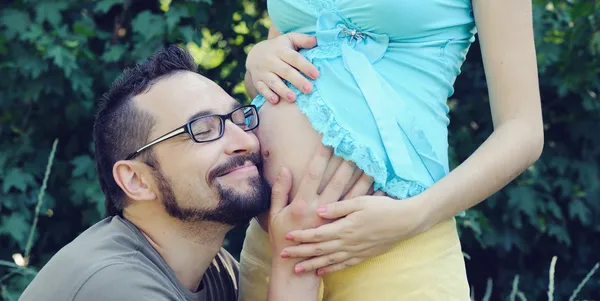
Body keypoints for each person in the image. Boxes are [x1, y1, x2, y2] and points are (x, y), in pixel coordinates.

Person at [240, 0, 544, 300]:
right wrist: (256, 63)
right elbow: (271, 83)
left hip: (395, 248)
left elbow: (523, 130)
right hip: (275, 247)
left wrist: (414, 215)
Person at [17, 45, 372, 301]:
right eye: (202, 129)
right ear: (137, 180)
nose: (243, 140)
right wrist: (296, 263)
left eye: (238, 117)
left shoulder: (214, 269)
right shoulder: (113, 283)